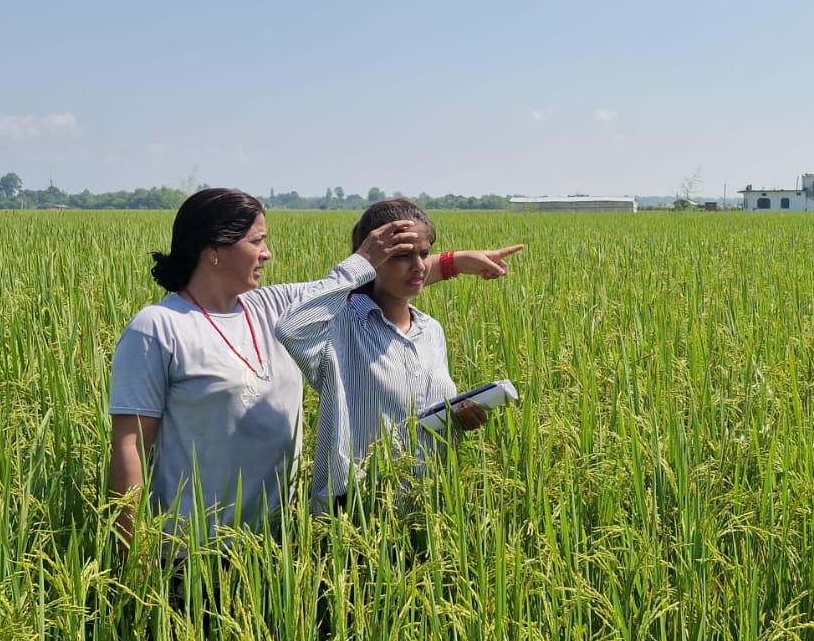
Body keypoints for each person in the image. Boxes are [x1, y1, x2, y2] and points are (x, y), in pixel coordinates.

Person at [107, 188, 522, 546]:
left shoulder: (267, 305)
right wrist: (135, 552)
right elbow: (131, 447)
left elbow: (370, 284)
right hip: (190, 545)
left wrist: (454, 262)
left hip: (278, 542)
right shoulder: (159, 327)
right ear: (213, 250)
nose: (267, 252)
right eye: (257, 241)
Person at [275, 199, 495, 511]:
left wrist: (458, 419)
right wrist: (359, 261)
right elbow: (290, 327)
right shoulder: (340, 327)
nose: (418, 266)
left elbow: (427, 418)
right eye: (402, 256)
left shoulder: (431, 331)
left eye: (424, 253)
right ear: (373, 258)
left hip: (426, 509)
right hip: (355, 513)